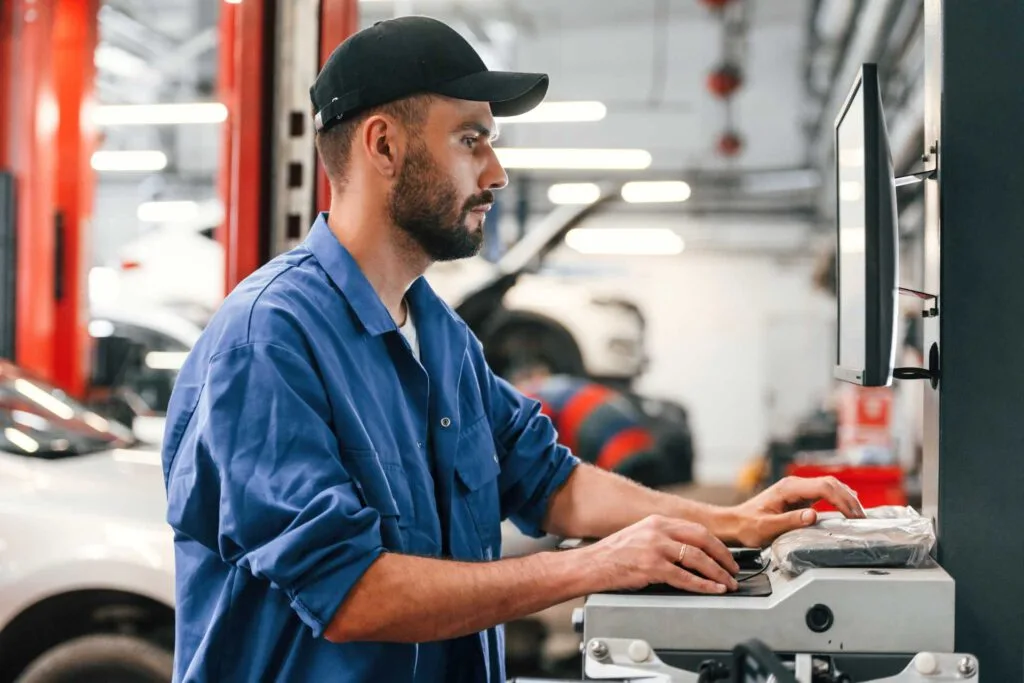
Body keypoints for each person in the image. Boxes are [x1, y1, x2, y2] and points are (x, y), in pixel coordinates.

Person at [161, 16, 865, 683]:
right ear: (383, 145)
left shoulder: (441, 339)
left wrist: (732, 520)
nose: (495, 172)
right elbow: (352, 596)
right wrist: (590, 567)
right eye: (470, 139)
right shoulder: (269, 339)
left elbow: (549, 481)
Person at [509, 358, 682, 489]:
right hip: (634, 435)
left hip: (602, 436)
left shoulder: (530, 392)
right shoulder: (564, 382)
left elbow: (533, 427)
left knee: (620, 500)